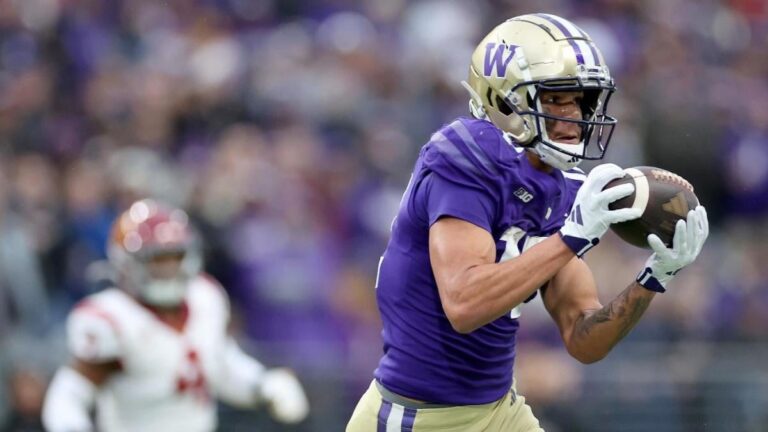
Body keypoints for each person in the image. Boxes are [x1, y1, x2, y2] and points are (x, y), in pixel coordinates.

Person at [346, 13, 709, 431]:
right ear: (504, 101)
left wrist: (654, 279)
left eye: (581, 100)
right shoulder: (465, 159)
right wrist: (570, 239)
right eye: (556, 98)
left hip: (501, 410)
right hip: (420, 417)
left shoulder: (563, 189)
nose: (574, 114)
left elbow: (582, 338)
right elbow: (464, 304)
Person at [42, 199, 309, 432]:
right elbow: (68, 395)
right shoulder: (112, 318)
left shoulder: (205, 297)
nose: (169, 269)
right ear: (125, 263)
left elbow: (218, 363)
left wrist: (261, 384)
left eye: (174, 257)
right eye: (157, 260)